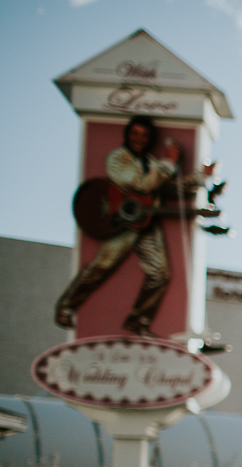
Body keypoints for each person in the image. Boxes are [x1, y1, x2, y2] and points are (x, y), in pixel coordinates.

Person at [55, 115, 208, 336]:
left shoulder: (151, 163)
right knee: (102, 266)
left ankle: (138, 320)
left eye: (144, 135)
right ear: (127, 134)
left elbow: (169, 189)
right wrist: (169, 163)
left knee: (160, 273)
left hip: (145, 221)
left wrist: (201, 178)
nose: (139, 139)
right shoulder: (118, 158)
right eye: (135, 133)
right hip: (120, 222)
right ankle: (67, 306)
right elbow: (141, 185)